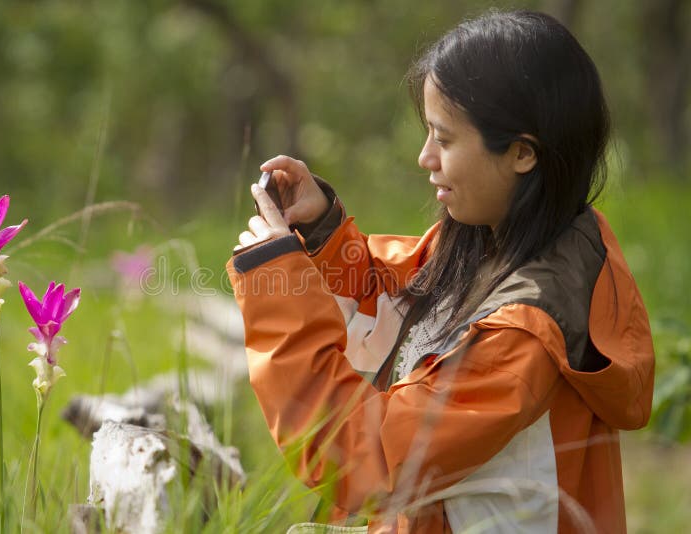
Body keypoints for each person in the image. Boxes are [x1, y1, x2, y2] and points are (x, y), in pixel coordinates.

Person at [226, 9, 654, 533]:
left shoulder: (522, 337)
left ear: (522, 153)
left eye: (445, 139)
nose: (424, 157)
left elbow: (367, 458)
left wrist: (280, 289)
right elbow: (403, 309)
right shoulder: (506, 240)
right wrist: (320, 234)